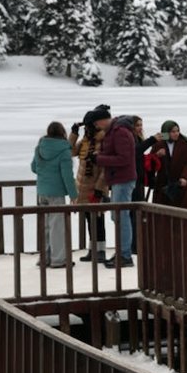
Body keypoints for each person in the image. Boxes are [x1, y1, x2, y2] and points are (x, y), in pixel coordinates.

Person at [31, 121, 78, 268]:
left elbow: (34, 168)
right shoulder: (64, 150)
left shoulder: (40, 147)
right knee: (57, 227)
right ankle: (58, 259)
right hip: (56, 193)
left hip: (42, 192)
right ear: (62, 132)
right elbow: (67, 175)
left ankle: (44, 258)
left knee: (45, 226)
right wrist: (73, 195)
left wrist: (46, 172)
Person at [93, 113, 137, 268]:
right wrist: (99, 155)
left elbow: (124, 158)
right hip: (118, 179)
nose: (96, 127)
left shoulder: (120, 132)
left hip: (123, 180)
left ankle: (125, 255)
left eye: (96, 123)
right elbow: (116, 154)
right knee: (117, 216)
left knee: (121, 216)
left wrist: (100, 159)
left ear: (103, 120)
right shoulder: (113, 131)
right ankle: (122, 252)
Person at [69, 108, 109, 262]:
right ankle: (92, 250)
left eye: (88, 126)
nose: (86, 129)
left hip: (96, 187)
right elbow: (71, 152)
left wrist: (99, 189)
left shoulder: (104, 141)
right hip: (83, 187)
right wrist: (74, 134)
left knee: (98, 220)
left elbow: (105, 169)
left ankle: (101, 251)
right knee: (88, 219)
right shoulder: (85, 140)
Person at [152, 120, 187, 210]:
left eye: (177, 131)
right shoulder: (158, 144)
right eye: (173, 132)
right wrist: (156, 155)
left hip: (179, 185)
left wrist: (184, 177)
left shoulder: (184, 144)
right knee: (162, 212)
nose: (176, 134)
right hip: (163, 185)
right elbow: (150, 163)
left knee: (181, 212)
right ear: (166, 132)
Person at [130, 116, 156, 255]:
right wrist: (152, 140)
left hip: (139, 180)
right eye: (137, 125)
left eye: (141, 125)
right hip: (132, 181)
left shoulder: (138, 139)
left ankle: (137, 243)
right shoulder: (131, 140)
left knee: (137, 214)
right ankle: (133, 245)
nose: (140, 128)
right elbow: (136, 152)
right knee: (133, 214)